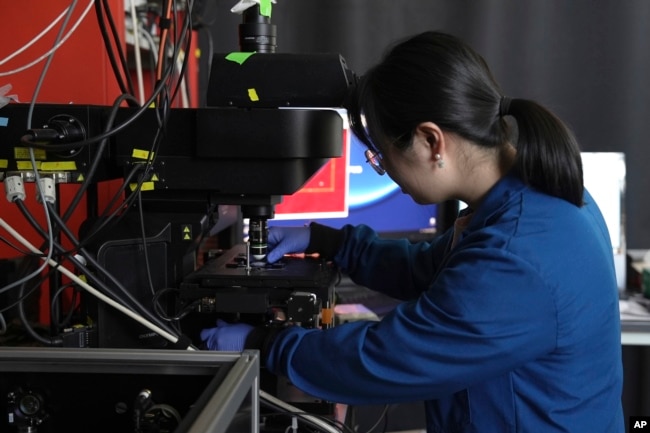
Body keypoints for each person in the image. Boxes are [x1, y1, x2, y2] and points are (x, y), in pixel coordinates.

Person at [201, 31, 624, 432]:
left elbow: (390, 358)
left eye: (383, 157)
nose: (387, 173)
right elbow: (430, 270)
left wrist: (268, 343)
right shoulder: (533, 200)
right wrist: (328, 242)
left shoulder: (518, 255)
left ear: (431, 142)